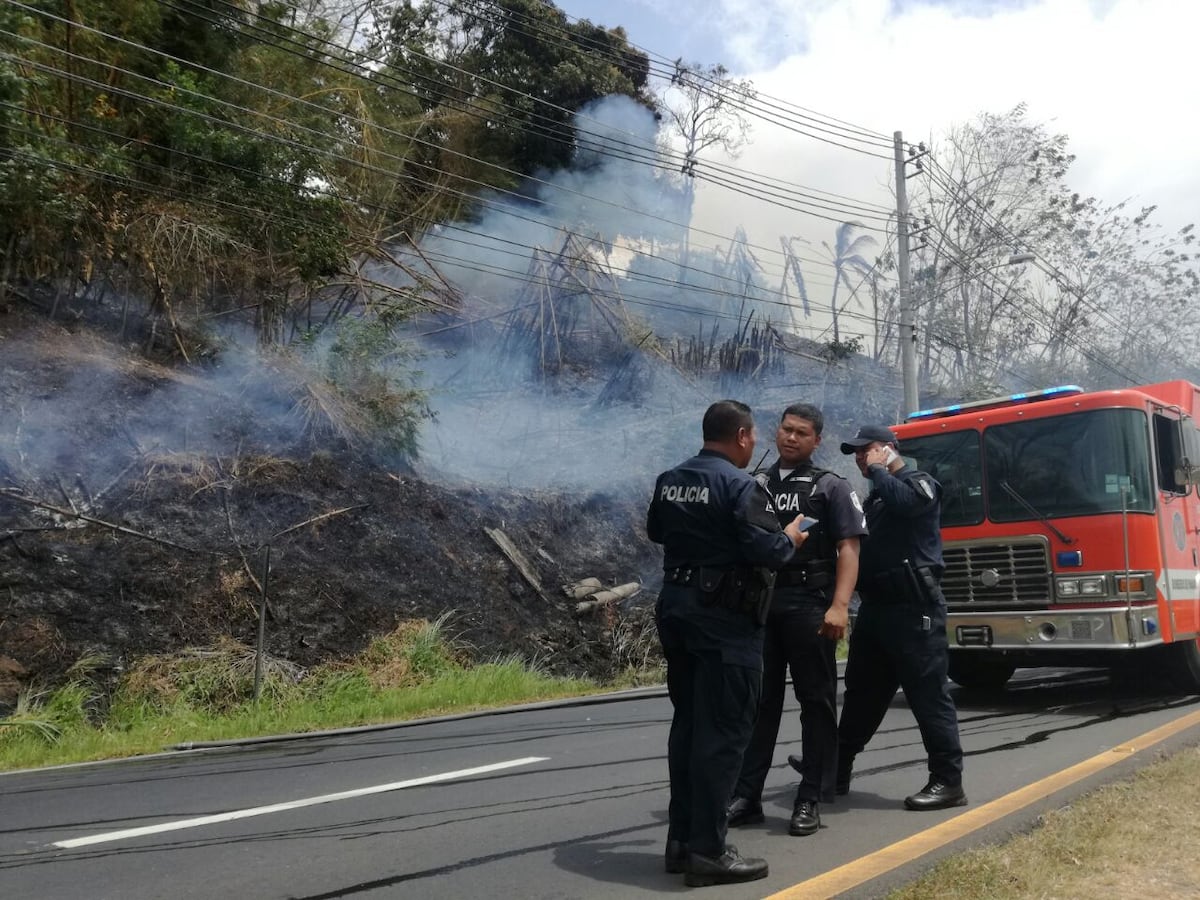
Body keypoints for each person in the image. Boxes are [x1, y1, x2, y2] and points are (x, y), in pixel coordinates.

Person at [647, 400, 809, 887]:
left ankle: (681, 842)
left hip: (676, 611)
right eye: (754, 435)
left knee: (690, 729)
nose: (757, 442)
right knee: (723, 736)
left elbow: (658, 530)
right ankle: (710, 852)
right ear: (741, 436)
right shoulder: (740, 485)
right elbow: (771, 549)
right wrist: (794, 536)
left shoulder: (670, 478)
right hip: (725, 621)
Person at [726, 403, 865, 837]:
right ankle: (747, 796)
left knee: (816, 703)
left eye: (802, 433)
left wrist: (840, 605)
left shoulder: (832, 487)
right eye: (786, 429)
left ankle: (810, 798)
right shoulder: (754, 483)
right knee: (758, 703)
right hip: (762, 605)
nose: (791, 438)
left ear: (816, 440)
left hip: (810, 604)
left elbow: (849, 549)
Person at [835, 425, 967, 811]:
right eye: (857, 453)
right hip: (876, 610)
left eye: (869, 450)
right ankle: (836, 767)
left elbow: (908, 505)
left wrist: (880, 469)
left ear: (890, 449)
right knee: (862, 693)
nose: (862, 457)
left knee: (928, 696)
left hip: (914, 609)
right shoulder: (876, 497)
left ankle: (948, 781)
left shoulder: (918, 483)